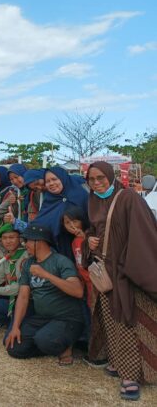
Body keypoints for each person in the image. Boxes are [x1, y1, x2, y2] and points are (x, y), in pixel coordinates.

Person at [84, 162, 157, 401]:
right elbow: (95, 231)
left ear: (111, 176)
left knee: (127, 321)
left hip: (126, 271)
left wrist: (131, 268)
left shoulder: (128, 198)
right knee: (112, 319)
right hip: (105, 273)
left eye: (100, 178)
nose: (96, 183)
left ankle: (131, 377)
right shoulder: (93, 201)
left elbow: (144, 232)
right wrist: (90, 241)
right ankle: (118, 363)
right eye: (91, 179)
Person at [5, 224, 84, 366]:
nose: (25, 245)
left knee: (45, 340)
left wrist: (46, 275)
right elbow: (23, 297)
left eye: (27, 241)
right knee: (13, 347)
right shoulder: (29, 263)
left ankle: (65, 346)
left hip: (66, 318)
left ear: (39, 241)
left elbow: (78, 291)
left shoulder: (60, 261)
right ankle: (49, 342)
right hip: (42, 318)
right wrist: (15, 326)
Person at [33, 166, 88, 261]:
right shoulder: (49, 200)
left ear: (63, 178)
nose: (51, 183)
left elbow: (91, 219)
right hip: (58, 251)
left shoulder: (81, 195)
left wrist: (84, 234)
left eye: (54, 179)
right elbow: (39, 224)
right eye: (48, 181)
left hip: (82, 247)